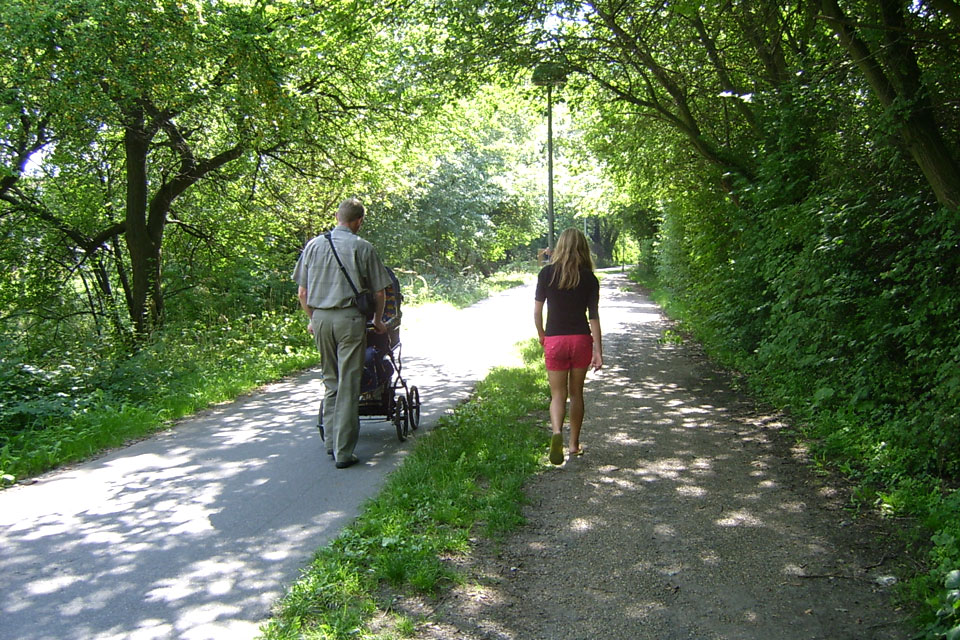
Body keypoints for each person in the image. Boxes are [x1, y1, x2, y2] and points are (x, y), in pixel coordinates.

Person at [293, 198, 392, 469]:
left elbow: (303, 292)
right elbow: (380, 291)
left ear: (337, 216)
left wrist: (314, 319)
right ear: (358, 221)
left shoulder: (313, 245)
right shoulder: (362, 247)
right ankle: (344, 452)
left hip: (321, 319)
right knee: (349, 384)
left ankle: (330, 443)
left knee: (331, 380)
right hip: (350, 320)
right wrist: (377, 320)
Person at [534, 228, 603, 465]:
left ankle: (556, 433)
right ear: (583, 248)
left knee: (557, 394)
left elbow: (537, 311)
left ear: (560, 247)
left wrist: (543, 335)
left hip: (555, 340)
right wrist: (598, 351)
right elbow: (593, 317)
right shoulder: (589, 279)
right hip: (581, 340)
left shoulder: (546, 274)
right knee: (576, 394)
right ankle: (573, 445)